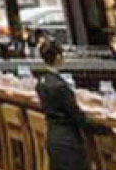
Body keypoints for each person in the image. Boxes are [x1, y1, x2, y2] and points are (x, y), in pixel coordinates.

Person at [35, 39, 91, 170]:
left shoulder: (41, 82)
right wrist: (105, 129)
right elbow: (78, 117)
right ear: (59, 57)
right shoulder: (60, 87)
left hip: (53, 138)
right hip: (69, 141)